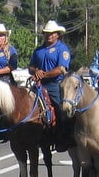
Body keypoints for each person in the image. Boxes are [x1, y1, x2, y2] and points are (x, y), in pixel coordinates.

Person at [29, 20, 71, 152]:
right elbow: (30, 66)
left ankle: (64, 136)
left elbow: (61, 69)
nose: (49, 36)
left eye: (52, 33)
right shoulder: (38, 50)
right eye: (47, 33)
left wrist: (44, 74)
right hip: (39, 84)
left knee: (61, 108)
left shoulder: (62, 49)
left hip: (55, 84)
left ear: (57, 35)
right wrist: (35, 71)